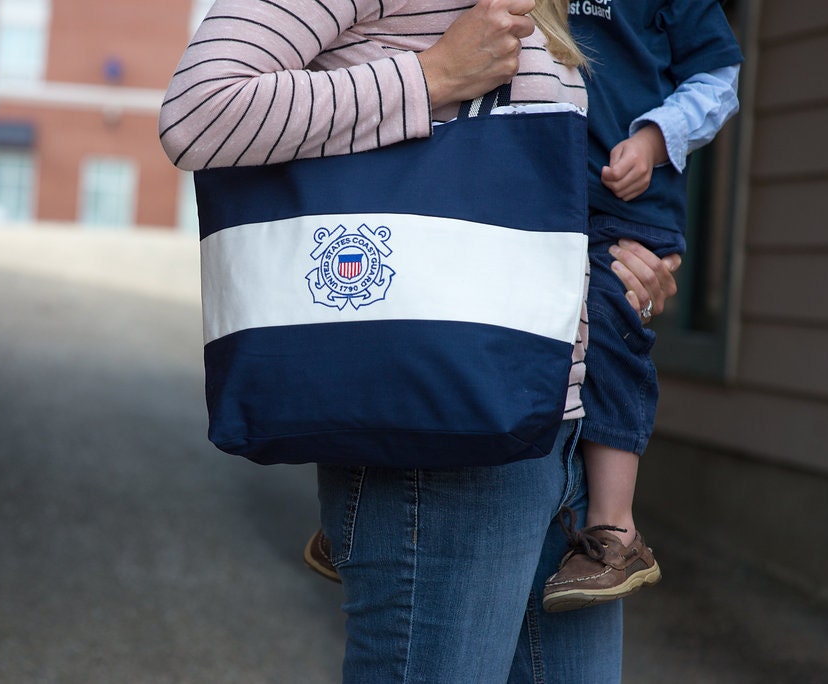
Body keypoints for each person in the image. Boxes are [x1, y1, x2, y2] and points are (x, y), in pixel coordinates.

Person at [160, 0, 678, 680]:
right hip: (439, 437)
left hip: (560, 427)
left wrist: (617, 276)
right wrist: (431, 76)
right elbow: (198, 112)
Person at [540, 0, 744, 613]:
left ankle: (615, 531)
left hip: (624, 207)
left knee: (609, 323)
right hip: (534, 189)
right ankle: (377, 493)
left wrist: (656, 139)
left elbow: (717, 78)